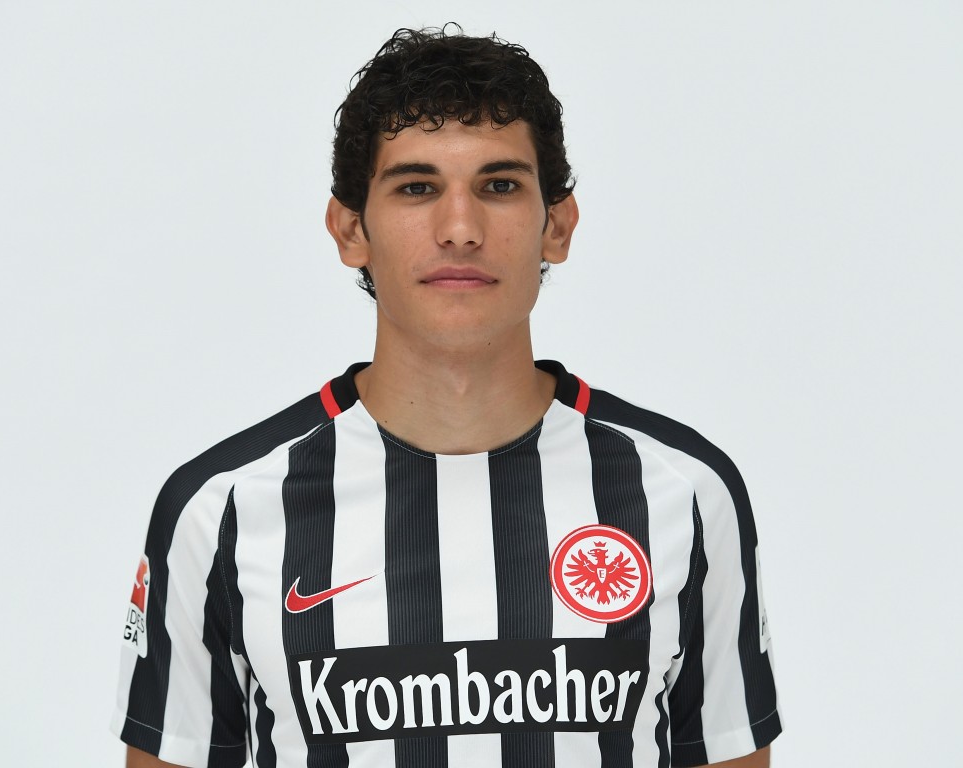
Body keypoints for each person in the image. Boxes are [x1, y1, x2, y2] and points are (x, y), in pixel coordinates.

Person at [113, 26, 782, 768]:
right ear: (349, 230)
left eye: (498, 186)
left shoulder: (684, 494)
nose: (459, 229)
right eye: (416, 187)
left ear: (555, 225)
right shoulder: (222, 510)